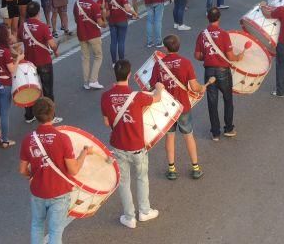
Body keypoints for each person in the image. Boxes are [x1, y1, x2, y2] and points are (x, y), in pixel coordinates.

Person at [101, 60, 164, 229]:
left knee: (124, 181)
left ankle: (129, 217)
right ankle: (144, 211)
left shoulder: (106, 96)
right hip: (137, 146)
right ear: (129, 75)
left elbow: (107, 122)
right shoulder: (137, 96)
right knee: (142, 178)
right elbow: (157, 98)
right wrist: (159, 87)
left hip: (118, 145)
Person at [19, 97, 89, 244]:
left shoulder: (28, 139)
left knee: (37, 225)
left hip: (37, 191)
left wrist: (31, 177)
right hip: (59, 193)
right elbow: (74, 169)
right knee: (55, 232)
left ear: (35, 115)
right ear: (53, 113)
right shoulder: (62, 138)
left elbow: (22, 170)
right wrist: (84, 153)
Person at [150, 34, 208, 180]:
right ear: (178, 46)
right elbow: (194, 87)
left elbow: (152, 86)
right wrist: (202, 88)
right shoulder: (186, 62)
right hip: (183, 106)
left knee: (170, 137)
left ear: (165, 47)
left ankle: (172, 169)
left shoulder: (159, 64)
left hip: (167, 108)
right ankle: (195, 167)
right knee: (188, 135)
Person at [194, 7, 242, 140]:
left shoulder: (202, 34)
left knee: (212, 102)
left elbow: (197, 55)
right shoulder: (223, 34)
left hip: (209, 72)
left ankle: (215, 133)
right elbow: (231, 57)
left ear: (207, 18)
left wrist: (209, 58)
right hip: (223, 72)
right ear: (219, 18)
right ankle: (228, 128)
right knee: (227, 99)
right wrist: (240, 56)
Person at [23, 2, 61, 124]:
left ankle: (29, 115)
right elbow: (52, 44)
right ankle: (51, 116)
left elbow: (17, 41)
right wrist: (55, 49)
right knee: (48, 90)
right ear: (38, 13)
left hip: (29, 63)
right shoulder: (43, 26)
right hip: (44, 62)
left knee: (30, 90)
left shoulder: (23, 27)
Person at [73, 0, 106, 90]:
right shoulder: (94, 5)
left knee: (85, 58)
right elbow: (100, 23)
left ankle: (86, 82)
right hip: (93, 34)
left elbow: (76, 19)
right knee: (98, 56)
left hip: (81, 34)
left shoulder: (76, 3)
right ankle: (93, 80)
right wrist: (105, 23)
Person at [104, 0, 138, 65]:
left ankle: (114, 62)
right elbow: (127, 8)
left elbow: (106, 9)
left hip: (112, 20)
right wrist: (134, 13)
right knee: (121, 41)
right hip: (122, 20)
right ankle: (121, 61)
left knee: (113, 42)